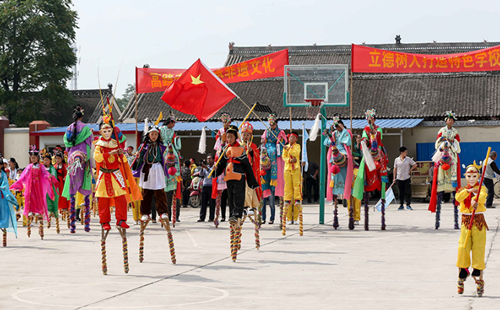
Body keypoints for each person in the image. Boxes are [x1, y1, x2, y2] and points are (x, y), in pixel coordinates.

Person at [94, 120, 141, 231]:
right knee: (103, 198)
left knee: (121, 198)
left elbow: (122, 159)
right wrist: (110, 153)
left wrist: (120, 154)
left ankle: (121, 220)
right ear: (101, 132)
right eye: (104, 131)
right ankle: (105, 221)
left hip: (115, 173)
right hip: (104, 172)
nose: (107, 133)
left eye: (109, 130)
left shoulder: (115, 143)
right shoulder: (98, 145)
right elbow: (97, 158)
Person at [215, 125, 259, 224]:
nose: (229, 139)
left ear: (236, 137)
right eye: (228, 137)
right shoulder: (225, 150)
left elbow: (247, 165)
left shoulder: (241, 149)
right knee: (230, 196)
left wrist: (251, 179)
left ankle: (237, 214)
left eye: (231, 137)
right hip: (229, 176)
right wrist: (215, 170)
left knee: (238, 196)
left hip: (239, 176)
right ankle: (231, 215)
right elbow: (221, 164)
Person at [455, 163, 488, 296]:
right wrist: (469, 191)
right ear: (466, 177)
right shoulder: (462, 190)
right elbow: (458, 198)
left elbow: (481, 197)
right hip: (466, 222)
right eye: (469, 176)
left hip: (478, 222)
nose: (472, 179)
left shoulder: (482, 189)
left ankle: (478, 276)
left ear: (478, 176)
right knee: (463, 247)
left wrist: (475, 199)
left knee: (479, 248)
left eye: (474, 176)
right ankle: (462, 273)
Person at [11, 146, 56, 237]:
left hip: (38, 187)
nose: (32, 159)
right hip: (30, 186)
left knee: (39, 201)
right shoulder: (29, 167)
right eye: (31, 158)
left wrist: (48, 176)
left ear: (38, 158)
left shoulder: (41, 166)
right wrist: (18, 182)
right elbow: (24, 175)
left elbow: (45, 173)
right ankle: (30, 212)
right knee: (29, 198)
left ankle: (40, 221)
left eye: (34, 157)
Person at [133, 116, 171, 225]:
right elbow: (139, 160)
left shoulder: (161, 146)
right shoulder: (143, 146)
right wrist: (139, 156)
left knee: (160, 192)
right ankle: (144, 213)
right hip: (147, 170)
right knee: (146, 192)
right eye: (152, 134)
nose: (154, 136)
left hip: (158, 168)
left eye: (156, 134)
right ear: (148, 135)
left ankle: (163, 212)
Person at [62, 104, 93, 233]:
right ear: (81, 116)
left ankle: (73, 226)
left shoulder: (68, 128)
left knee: (72, 189)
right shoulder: (86, 128)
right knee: (85, 183)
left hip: (72, 158)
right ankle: (86, 225)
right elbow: (90, 142)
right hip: (83, 157)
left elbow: (67, 145)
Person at [261, 113, 287, 224]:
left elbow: (284, 142)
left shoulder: (280, 132)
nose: (271, 125)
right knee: (264, 190)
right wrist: (263, 142)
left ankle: (272, 217)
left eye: (273, 124)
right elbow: (263, 140)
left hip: (275, 156)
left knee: (271, 192)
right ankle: (263, 217)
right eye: (270, 124)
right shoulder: (266, 131)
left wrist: (280, 142)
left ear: (276, 123)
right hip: (266, 152)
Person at [324, 114, 353, 212]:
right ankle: (334, 195)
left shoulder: (346, 132)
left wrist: (343, 129)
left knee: (342, 158)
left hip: (342, 151)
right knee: (333, 160)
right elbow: (326, 142)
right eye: (336, 126)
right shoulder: (333, 133)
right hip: (334, 151)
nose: (337, 128)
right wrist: (330, 132)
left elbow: (348, 141)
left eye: (338, 126)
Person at [160, 112, 182, 223]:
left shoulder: (172, 131)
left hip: (170, 148)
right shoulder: (161, 129)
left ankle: (175, 172)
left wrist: (176, 139)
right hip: (164, 147)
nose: (174, 125)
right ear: (170, 122)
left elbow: (177, 145)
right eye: (173, 123)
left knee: (175, 158)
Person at [213, 112, 231, 224]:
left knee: (230, 192)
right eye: (223, 122)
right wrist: (221, 140)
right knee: (221, 194)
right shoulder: (220, 131)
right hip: (221, 159)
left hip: (229, 160)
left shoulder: (233, 131)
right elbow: (217, 148)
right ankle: (220, 215)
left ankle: (232, 214)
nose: (225, 123)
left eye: (227, 121)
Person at [240, 122, 262, 214]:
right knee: (242, 190)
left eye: (248, 135)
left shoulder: (253, 146)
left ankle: (252, 207)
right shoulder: (239, 146)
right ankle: (244, 207)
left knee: (250, 189)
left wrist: (252, 152)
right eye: (244, 134)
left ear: (251, 135)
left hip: (251, 171)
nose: (246, 136)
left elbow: (257, 157)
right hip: (241, 172)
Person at [283, 131, 302, 225]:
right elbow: (284, 157)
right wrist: (290, 160)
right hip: (287, 169)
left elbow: (295, 153)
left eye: (293, 137)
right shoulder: (285, 146)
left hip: (296, 169)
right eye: (290, 137)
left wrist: (289, 149)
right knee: (288, 191)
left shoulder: (297, 146)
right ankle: (289, 218)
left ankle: (295, 218)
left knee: (296, 189)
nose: (291, 139)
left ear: (296, 139)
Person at [0, 155, 18, 242]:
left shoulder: (3, 174)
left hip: (2, 195)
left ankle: (4, 228)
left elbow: (5, 184)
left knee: (3, 211)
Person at [42, 153, 60, 226]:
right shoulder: (42, 168)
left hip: (52, 187)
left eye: (47, 160)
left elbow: (54, 176)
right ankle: (48, 214)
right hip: (45, 187)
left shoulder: (52, 169)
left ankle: (55, 215)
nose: (45, 161)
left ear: (50, 161)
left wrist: (50, 177)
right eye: (44, 160)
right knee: (46, 200)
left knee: (53, 201)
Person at [197, 154, 216, 222]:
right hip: (205, 186)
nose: (208, 160)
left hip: (211, 186)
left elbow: (213, 174)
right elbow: (201, 175)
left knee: (212, 203)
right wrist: (202, 168)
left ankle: (211, 217)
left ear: (213, 159)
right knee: (203, 202)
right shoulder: (206, 167)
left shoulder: (214, 167)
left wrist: (207, 168)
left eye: (210, 158)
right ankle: (202, 217)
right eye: (207, 159)